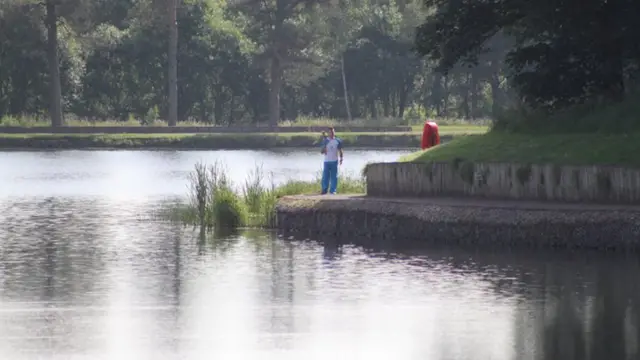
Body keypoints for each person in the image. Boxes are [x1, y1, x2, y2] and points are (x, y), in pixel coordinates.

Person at [320, 127, 343, 194]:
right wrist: (324, 148)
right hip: (327, 161)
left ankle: (333, 191)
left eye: (333, 132)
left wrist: (341, 158)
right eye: (330, 132)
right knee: (325, 176)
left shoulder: (338, 140)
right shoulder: (325, 141)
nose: (332, 133)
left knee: (334, 177)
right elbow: (321, 152)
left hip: (334, 161)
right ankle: (324, 190)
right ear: (328, 133)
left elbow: (340, 150)